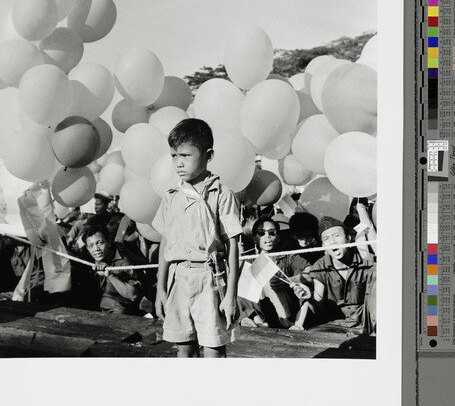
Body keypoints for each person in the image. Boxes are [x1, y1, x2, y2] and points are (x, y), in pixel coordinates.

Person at [152, 118, 242, 358]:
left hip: (211, 279)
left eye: (185, 155)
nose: (178, 163)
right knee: (184, 348)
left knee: (213, 349)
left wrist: (231, 295)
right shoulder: (171, 197)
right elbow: (165, 244)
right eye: (174, 156)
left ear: (208, 155)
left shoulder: (222, 195)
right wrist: (160, 288)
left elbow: (234, 248)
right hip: (178, 278)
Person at [292, 216, 376, 334]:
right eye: (326, 239)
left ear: (348, 238)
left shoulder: (366, 259)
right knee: (313, 334)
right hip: (339, 324)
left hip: (368, 318)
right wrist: (308, 297)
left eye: (337, 236)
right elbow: (319, 308)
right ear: (323, 246)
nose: (332, 242)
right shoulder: (320, 267)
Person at [238, 217, 310, 329]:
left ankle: (294, 324)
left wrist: (290, 281)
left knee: (303, 287)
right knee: (239, 285)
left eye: (272, 233)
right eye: (261, 233)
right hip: (261, 309)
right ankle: (257, 321)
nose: (267, 236)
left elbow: (309, 271)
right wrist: (236, 258)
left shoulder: (288, 257)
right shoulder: (249, 259)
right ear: (255, 239)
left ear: (278, 237)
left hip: (284, 309)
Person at [82, 224, 142, 315]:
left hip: (121, 305)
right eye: (91, 245)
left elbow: (133, 295)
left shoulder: (122, 263)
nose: (96, 249)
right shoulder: (89, 258)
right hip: (103, 301)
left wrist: (110, 275)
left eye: (100, 243)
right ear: (87, 248)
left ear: (109, 242)